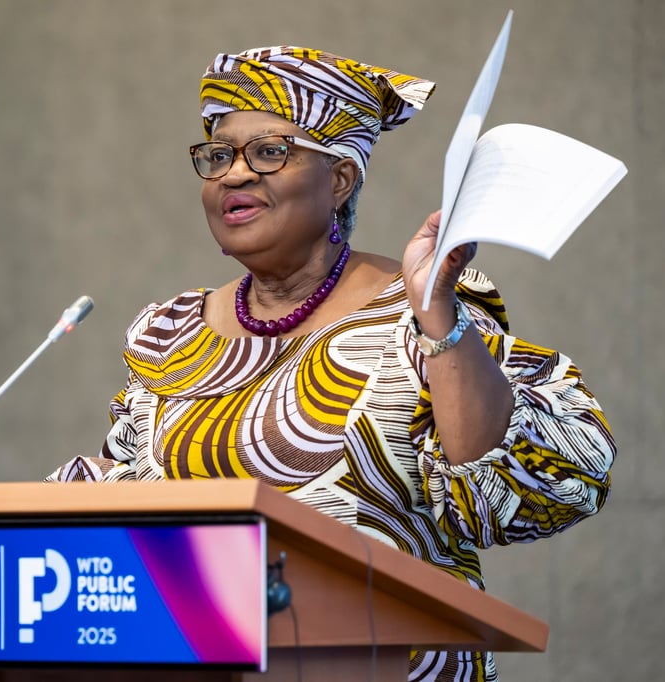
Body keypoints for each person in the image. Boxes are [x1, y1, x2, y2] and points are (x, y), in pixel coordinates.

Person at [47, 45, 615, 681]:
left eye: (268, 151)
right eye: (218, 155)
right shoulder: (170, 333)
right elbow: (129, 503)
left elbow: (526, 493)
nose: (233, 175)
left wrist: (440, 315)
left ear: (340, 178)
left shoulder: (418, 306)